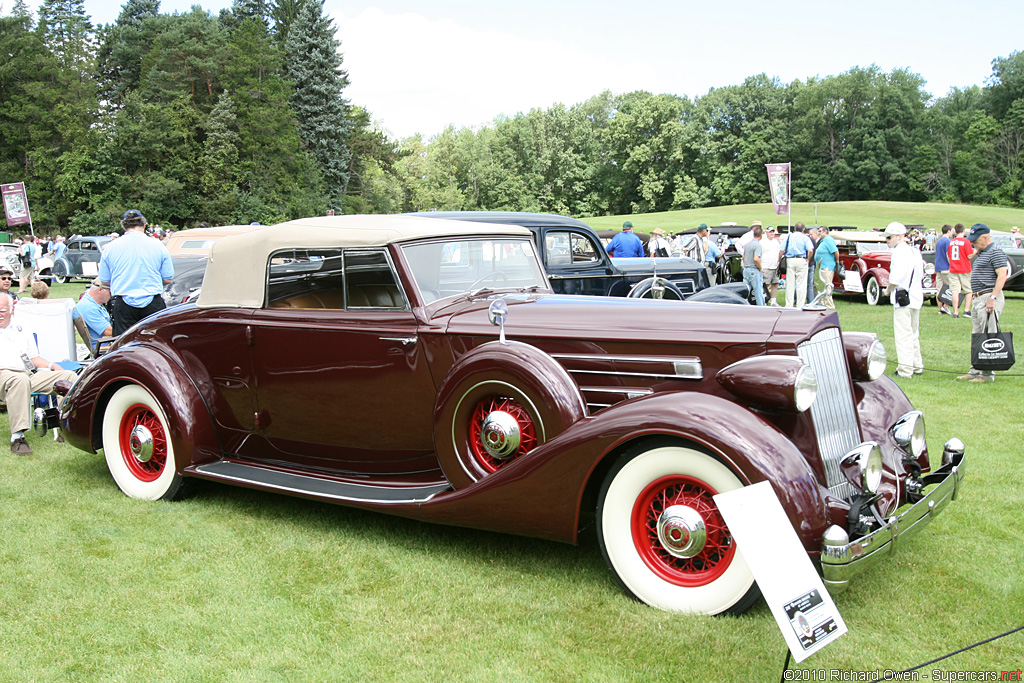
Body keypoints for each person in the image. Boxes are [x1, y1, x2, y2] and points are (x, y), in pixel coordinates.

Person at [0, 292, 79, 454]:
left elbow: (33, 358)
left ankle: (66, 427)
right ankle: (18, 437)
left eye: (2, 310)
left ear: (12, 309)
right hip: (4, 374)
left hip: (27, 373)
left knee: (68, 376)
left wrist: (52, 365)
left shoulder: (21, 327)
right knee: (19, 379)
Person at [99, 209, 174, 335]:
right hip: (152, 303)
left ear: (124, 226)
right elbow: (167, 278)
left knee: (124, 346)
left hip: (124, 304)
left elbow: (105, 281)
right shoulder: (158, 246)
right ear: (144, 225)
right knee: (157, 344)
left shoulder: (110, 247)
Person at [956, 224, 1009, 383]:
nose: (972, 243)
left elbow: (1002, 276)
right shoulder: (982, 253)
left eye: (975, 240)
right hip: (978, 298)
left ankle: (987, 374)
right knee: (978, 336)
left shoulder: (996, 252)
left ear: (985, 237)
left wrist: (992, 298)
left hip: (989, 296)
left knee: (988, 336)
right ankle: (975, 370)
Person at [884, 223, 924, 379]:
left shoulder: (899, 252)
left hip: (903, 297)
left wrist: (887, 290)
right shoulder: (914, 251)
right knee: (913, 332)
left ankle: (905, 369)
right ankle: (916, 365)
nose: (887, 240)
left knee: (903, 334)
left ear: (900, 237)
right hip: (915, 296)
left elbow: (896, 276)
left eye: (889, 237)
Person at [782, 223, 814, 308]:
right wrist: (808, 259)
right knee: (801, 284)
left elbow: (781, 250)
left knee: (790, 283)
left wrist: (779, 260)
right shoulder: (805, 238)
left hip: (791, 259)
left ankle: (789, 304)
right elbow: (810, 250)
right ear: (803, 229)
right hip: (801, 259)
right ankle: (800, 305)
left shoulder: (789, 236)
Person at [73, 278, 113, 343]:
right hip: (106, 347)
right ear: (100, 289)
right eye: (110, 292)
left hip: (109, 342)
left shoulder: (93, 304)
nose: (112, 295)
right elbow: (108, 331)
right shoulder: (88, 307)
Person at [947, 223, 974, 318]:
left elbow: (949, 255)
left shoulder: (951, 242)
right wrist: (976, 251)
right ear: (963, 231)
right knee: (968, 290)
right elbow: (969, 255)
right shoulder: (966, 242)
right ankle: (966, 310)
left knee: (955, 291)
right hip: (964, 269)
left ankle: (955, 312)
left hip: (953, 269)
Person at [813, 226, 838, 309]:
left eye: (820, 231)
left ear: (825, 232)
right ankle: (823, 302)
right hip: (821, 266)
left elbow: (835, 251)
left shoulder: (829, 240)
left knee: (827, 285)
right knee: (822, 286)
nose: (818, 233)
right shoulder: (823, 241)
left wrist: (837, 262)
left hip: (827, 266)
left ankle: (829, 304)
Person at [741, 226, 764, 305]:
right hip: (753, 270)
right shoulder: (758, 245)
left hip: (746, 269)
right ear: (761, 235)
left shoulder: (747, 245)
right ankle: (762, 308)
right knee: (758, 292)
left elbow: (743, 257)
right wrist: (761, 268)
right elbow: (756, 259)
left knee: (745, 291)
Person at [760, 226, 782, 306]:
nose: (772, 233)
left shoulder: (776, 242)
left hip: (775, 266)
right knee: (766, 285)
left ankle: (773, 301)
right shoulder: (762, 242)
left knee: (775, 284)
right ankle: (764, 300)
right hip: (766, 266)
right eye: (770, 232)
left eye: (773, 232)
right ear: (766, 233)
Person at [934, 225, 953, 315]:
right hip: (946, 267)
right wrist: (951, 264)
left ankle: (940, 308)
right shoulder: (948, 241)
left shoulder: (939, 241)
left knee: (939, 288)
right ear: (948, 231)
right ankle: (946, 306)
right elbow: (948, 254)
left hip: (938, 266)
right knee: (949, 288)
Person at [806, 226, 821, 304]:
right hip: (812, 263)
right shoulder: (813, 241)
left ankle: (811, 300)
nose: (810, 236)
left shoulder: (815, 241)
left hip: (812, 263)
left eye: (811, 234)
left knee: (810, 284)